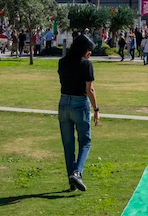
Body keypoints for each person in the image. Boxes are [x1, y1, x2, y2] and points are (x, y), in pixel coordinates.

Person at [57, 34, 100, 192]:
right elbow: (90, 89)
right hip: (79, 104)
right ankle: (77, 173)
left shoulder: (62, 62)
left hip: (63, 103)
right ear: (85, 50)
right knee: (85, 141)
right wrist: (96, 109)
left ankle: (72, 182)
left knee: (68, 145)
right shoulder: (86, 64)